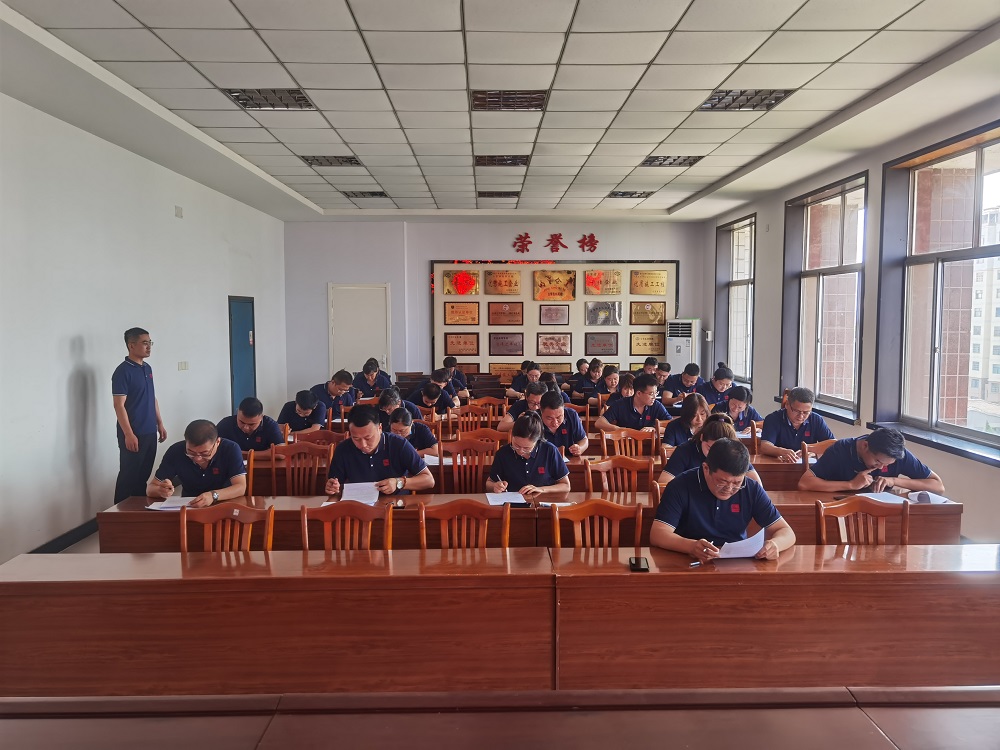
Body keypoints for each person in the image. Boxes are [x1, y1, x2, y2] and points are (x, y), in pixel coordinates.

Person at [651, 439, 796, 563]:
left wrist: (775, 544)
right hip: (689, 561)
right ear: (706, 468)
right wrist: (691, 546)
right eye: (722, 481)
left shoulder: (751, 488)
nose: (729, 488)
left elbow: (787, 532)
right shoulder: (680, 486)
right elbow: (658, 534)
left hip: (737, 564)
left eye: (737, 483)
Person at [325, 405, 434, 496]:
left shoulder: (399, 444)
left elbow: (429, 480)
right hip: (359, 507)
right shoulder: (343, 449)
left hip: (395, 506)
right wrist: (332, 487)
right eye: (356, 438)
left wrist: (398, 482)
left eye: (368, 438)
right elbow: (335, 486)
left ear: (380, 428)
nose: (363, 445)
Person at [799, 427, 946, 494]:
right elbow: (804, 483)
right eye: (877, 462)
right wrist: (851, 485)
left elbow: (938, 486)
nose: (881, 468)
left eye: (887, 465)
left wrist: (894, 481)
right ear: (865, 446)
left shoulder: (897, 454)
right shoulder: (841, 450)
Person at [112, 327, 167, 503]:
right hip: (134, 432)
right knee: (128, 476)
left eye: (150, 343)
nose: (149, 347)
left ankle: (138, 513)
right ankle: (119, 514)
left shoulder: (147, 368)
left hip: (149, 430)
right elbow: (119, 405)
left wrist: (160, 423)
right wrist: (128, 434)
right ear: (131, 345)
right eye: (144, 343)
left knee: (142, 477)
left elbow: (152, 397)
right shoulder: (122, 371)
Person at [147, 420, 246, 508]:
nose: (198, 458)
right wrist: (160, 490)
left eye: (205, 453)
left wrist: (213, 495)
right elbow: (150, 489)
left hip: (224, 505)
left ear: (217, 442)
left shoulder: (230, 449)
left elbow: (240, 487)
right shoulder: (175, 451)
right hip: (190, 507)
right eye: (191, 453)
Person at [658, 413, 761, 486]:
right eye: (710, 448)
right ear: (702, 438)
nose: (716, 454)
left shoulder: (735, 452)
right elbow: (664, 482)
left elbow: (757, 484)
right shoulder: (685, 450)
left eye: (722, 451)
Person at [486, 412, 570, 499]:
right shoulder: (503, 453)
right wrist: (495, 486)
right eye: (516, 445)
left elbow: (566, 485)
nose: (520, 451)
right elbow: (489, 483)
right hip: (512, 504)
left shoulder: (550, 451)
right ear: (512, 436)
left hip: (543, 503)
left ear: (537, 441)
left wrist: (541, 489)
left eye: (527, 448)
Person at [759, 386, 835, 462]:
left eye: (806, 412)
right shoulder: (773, 419)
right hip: (780, 463)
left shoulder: (816, 420)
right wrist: (782, 452)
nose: (801, 416)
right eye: (796, 411)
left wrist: (813, 452)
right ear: (787, 404)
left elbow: (832, 444)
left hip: (808, 465)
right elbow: (765, 446)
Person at [594, 373, 669, 432]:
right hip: (624, 445)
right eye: (651, 394)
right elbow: (599, 423)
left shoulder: (656, 405)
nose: (654, 397)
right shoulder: (620, 404)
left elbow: (671, 425)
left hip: (649, 444)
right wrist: (619, 429)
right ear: (638, 393)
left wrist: (655, 429)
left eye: (656, 393)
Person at [216, 397, 284, 451]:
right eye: (241, 422)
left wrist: (243, 454)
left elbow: (281, 454)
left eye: (251, 424)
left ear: (261, 417)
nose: (246, 427)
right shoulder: (225, 424)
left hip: (264, 464)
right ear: (237, 412)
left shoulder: (270, 425)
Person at [539, 390, 589, 456]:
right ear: (541, 411)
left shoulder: (571, 415)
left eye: (559, 417)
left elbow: (583, 440)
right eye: (549, 418)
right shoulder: (533, 420)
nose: (555, 423)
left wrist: (580, 448)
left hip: (569, 459)